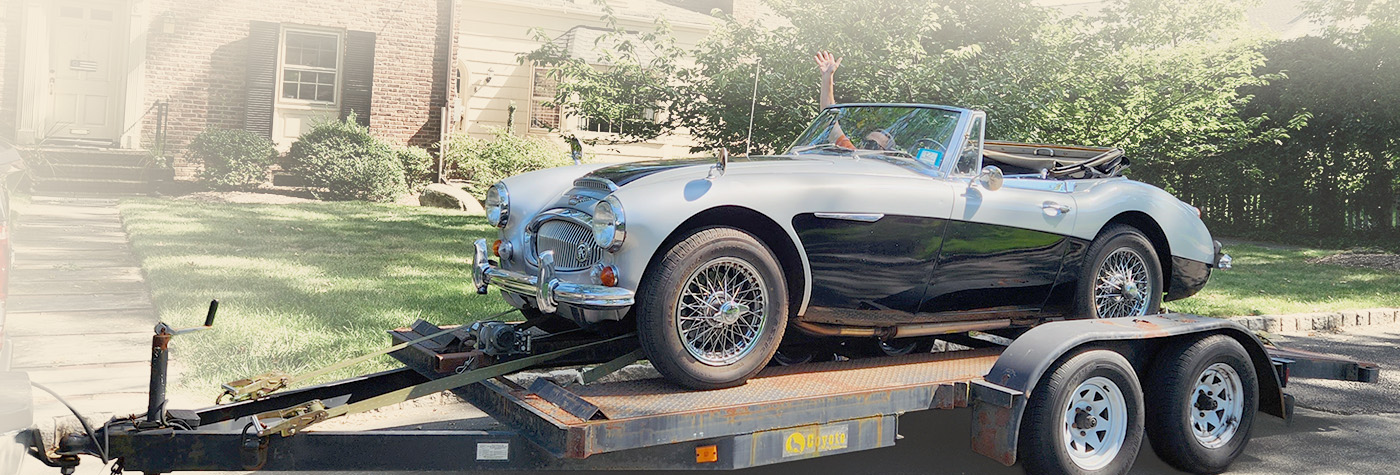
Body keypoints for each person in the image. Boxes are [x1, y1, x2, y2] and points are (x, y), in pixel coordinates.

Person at [813, 51, 895, 151]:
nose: (866, 146)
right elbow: (829, 121)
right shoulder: (853, 154)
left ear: (888, 154)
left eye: (872, 144)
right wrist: (827, 77)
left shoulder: (891, 166)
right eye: (865, 142)